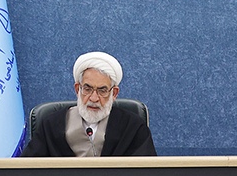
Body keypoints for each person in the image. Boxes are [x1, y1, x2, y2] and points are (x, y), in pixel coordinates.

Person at [21, 51, 156, 157]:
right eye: (87, 89)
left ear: (114, 93)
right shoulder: (51, 125)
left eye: (102, 90)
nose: (94, 98)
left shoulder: (133, 127)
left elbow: (146, 173)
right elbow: (28, 170)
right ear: (77, 89)